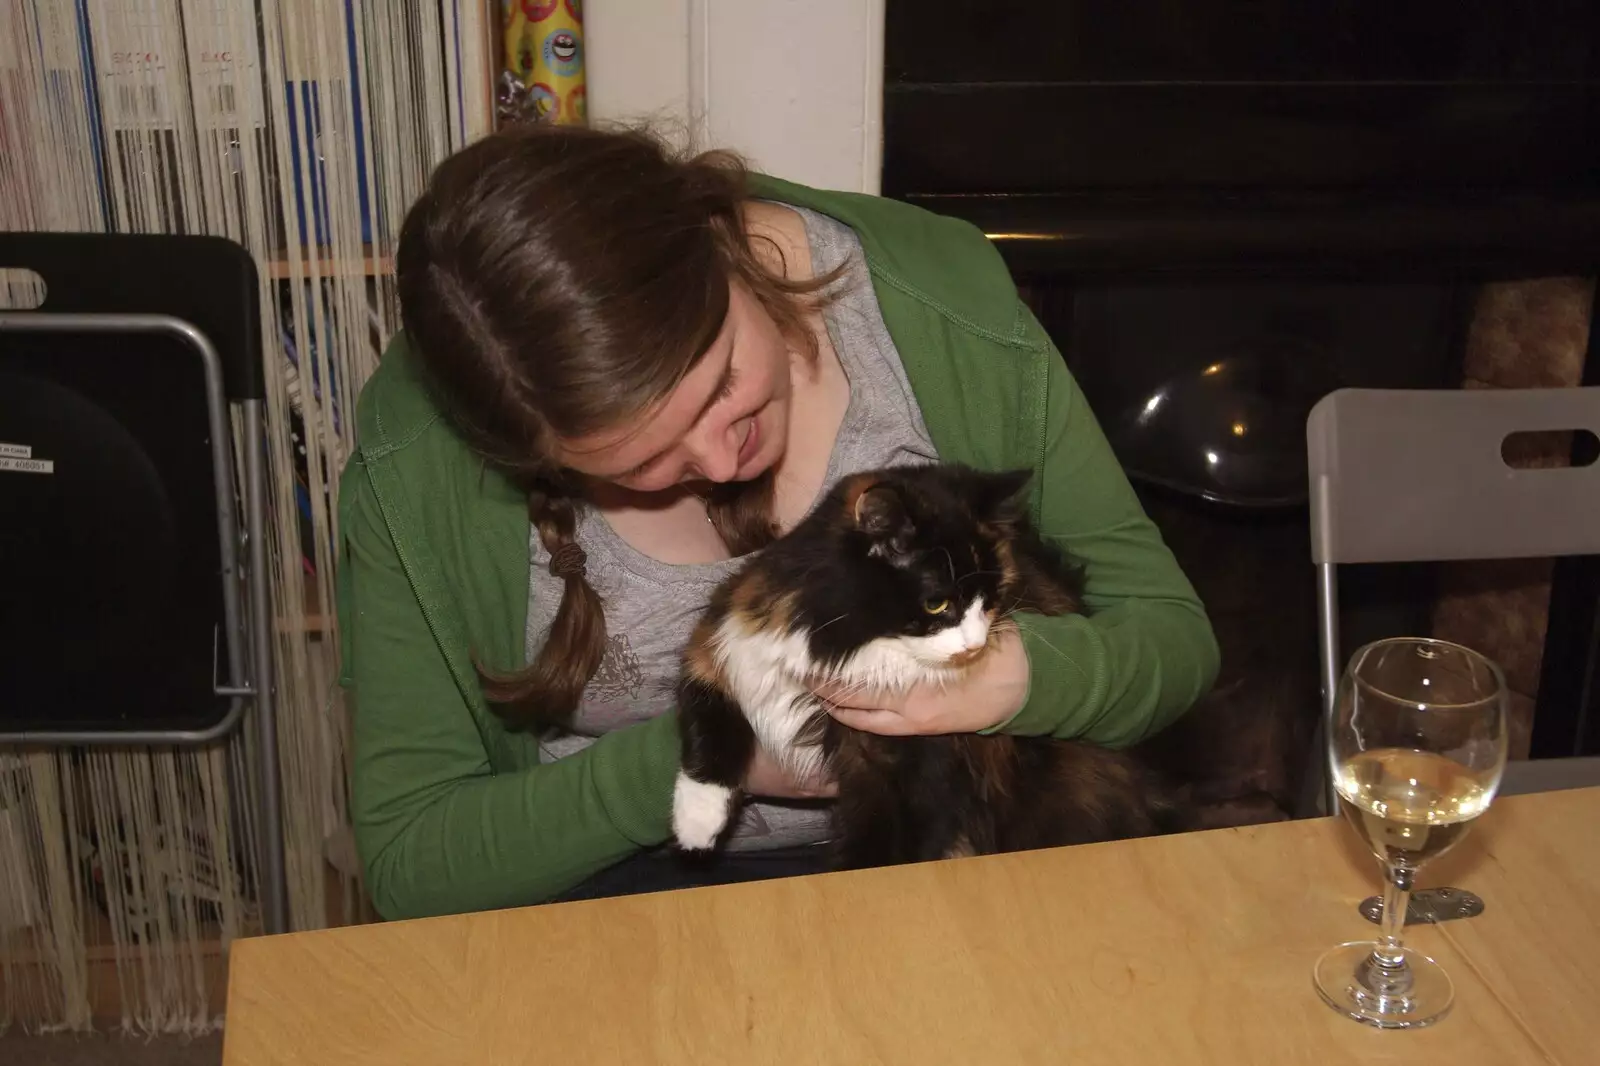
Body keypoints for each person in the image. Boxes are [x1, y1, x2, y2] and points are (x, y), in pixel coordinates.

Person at [336, 123, 1219, 920]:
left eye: (721, 383)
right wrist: (699, 758)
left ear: (722, 243)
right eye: (639, 465)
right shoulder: (421, 460)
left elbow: (1176, 646)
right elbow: (413, 863)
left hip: (963, 868)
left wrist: (1021, 682)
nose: (722, 463)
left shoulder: (944, 313)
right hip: (620, 901)